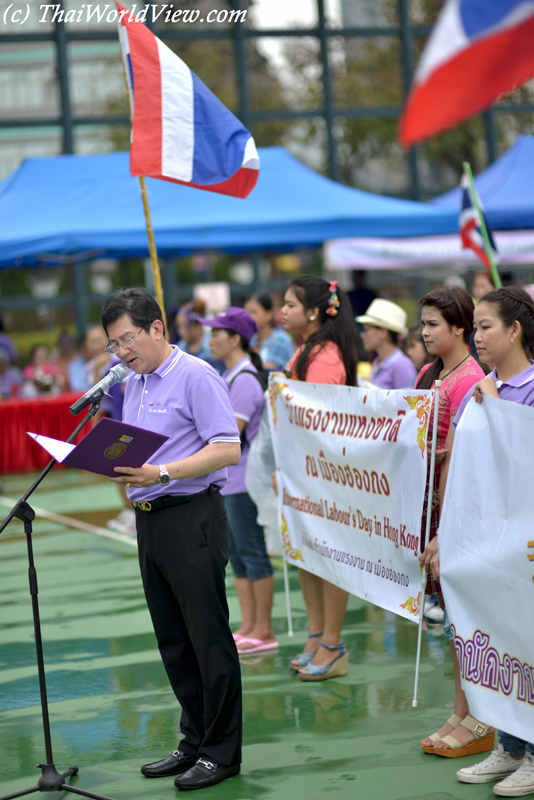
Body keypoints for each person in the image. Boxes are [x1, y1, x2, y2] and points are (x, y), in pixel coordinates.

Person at [100, 287, 243, 791]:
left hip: (192, 516)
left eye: (128, 339)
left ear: (157, 327)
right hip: (151, 520)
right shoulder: (133, 383)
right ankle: (194, 739)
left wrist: (160, 472)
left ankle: (222, 752)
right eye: (114, 345)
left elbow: (227, 448)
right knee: (173, 639)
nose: (122, 352)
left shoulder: (196, 375)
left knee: (207, 637)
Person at [429, 287, 534, 793]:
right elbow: (470, 475)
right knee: (498, 639)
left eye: (487, 326)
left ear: (515, 330)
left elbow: (521, 467)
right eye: (476, 327)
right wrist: (446, 534)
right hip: (487, 540)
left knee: (527, 645)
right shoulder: (485, 386)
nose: (478, 336)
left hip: (525, 545)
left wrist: (493, 410)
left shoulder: (523, 389)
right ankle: (509, 747)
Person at [416, 286, 487, 758]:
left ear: (459, 327)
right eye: (421, 324)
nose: (423, 333)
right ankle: (463, 709)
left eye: (432, 325)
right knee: (451, 615)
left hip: (459, 511)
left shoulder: (472, 380)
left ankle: (478, 715)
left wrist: (442, 454)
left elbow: (474, 456)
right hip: (429, 508)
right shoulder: (428, 373)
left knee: (467, 615)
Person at [279, 276, 358, 681]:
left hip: (322, 474)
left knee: (328, 558)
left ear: (313, 311)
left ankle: (333, 642)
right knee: (305, 554)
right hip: (303, 472)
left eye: (290, 304)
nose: (283, 311)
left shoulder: (324, 356)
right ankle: (316, 634)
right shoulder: (306, 349)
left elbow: (321, 421)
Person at [202, 307, 277, 656]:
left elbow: (230, 435)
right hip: (231, 483)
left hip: (244, 482)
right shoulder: (231, 374)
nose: (210, 339)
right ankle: (249, 626)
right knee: (239, 558)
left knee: (253, 555)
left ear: (235, 339)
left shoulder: (244, 379)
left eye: (217, 333)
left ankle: (263, 629)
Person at [356, 298, 417, 389]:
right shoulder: (378, 361)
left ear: (383, 332)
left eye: (366, 330)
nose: (362, 335)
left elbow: (409, 401)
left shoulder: (401, 365)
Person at [244, 292, 295, 371]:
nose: (249, 317)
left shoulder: (281, 339)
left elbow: (268, 370)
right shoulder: (253, 339)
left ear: (269, 314)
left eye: (254, 312)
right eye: (246, 313)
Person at [176, 299, 224, 373]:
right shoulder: (179, 348)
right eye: (179, 326)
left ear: (198, 326)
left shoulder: (212, 347)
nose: (180, 331)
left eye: (184, 326)